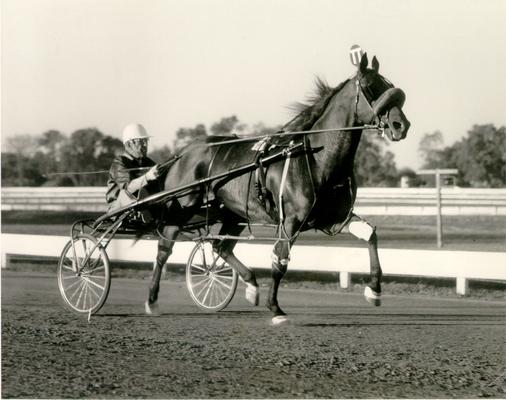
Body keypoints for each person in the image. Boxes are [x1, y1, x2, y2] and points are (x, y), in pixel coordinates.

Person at [106, 123, 160, 214]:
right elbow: (128, 188)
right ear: (130, 144)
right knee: (124, 194)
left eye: (146, 141)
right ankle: (142, 213)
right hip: (118, 209)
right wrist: (147, 177)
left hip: (143, 203)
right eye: (141, 142)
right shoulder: (119, 163)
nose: (145, 145)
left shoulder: (148, 162)